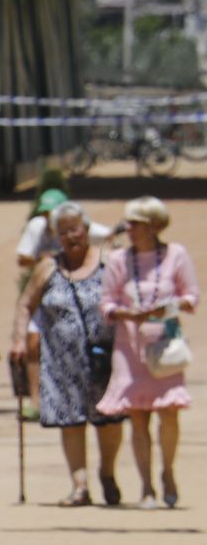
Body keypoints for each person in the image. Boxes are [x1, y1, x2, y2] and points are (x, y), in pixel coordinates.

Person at [10, 202, 124, 506]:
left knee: (109, 420)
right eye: (63, 232)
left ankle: (108, 474)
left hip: (105, 358)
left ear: (86, 230)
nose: (70, 236)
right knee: (71, 420)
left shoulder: (109, 261)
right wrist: (20, 340)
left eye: (75, 229)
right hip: (62, 361)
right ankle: (80, 485)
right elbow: (25, 304)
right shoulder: (48, 267)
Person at [96, 196, 199, 509]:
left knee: (169, 413)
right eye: (128, 223)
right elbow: (106, 303)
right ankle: (146, 488)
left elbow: (191, 296)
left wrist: (165, 309)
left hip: (165, 348)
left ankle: (167, 471)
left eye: (136, 223)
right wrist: (129, 314)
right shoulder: (117, 260)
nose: (130, 229)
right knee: (137, 417)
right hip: (130, 351)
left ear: (154, 226)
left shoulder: (176, 255)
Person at [15, 187, 115, 419]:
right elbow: (22, 258)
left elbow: (107, 235)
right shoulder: (37, 228)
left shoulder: (77, 223)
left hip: (81, 296)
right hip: (50, 293)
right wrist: (46, 258)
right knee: (32, 343)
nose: (47, 217)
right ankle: (35, 399)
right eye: (45, 213)